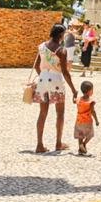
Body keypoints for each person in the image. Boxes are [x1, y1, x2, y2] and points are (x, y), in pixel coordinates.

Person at [33, 24, 79, 153]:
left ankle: (39, 145)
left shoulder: (41, 47)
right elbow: (65, 72)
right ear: (60, 35)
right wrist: (73, 90)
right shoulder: (61, 50)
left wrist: (43, 77)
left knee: (42, 113)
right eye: (64, 34)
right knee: (60, 113)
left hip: (42, 79)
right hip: (56, 81)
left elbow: (37, 66)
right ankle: (58, 143)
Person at [74, 80, 98, 156]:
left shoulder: (78, 99)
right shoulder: (91, 102)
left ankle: (80, 148)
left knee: (80, 135)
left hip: (79, 121)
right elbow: (93, 112)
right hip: (87, 121)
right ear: (89, 91)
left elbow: (74, 101)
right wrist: (97, 120)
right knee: (90, 135)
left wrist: (74, 95)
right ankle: (83, 144)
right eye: (92, 90)